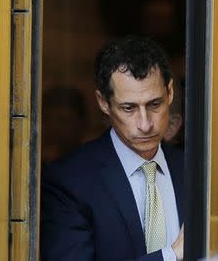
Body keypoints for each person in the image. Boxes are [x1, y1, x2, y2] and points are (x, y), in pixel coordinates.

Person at [41, 35, 184, 261]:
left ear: (170, 92)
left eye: (154, 104)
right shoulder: (68, 182)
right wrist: (171, 255)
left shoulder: (197, 172)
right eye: (129, 108)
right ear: (103, 103)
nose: (145, 124)